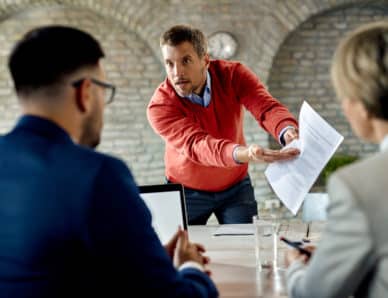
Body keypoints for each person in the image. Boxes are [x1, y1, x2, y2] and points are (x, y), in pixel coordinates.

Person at [0, 25, 218, 298]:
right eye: (104, 90)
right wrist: (190, 268)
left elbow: (43, 269)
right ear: (86, 93)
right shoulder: (98, 175)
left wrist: (143, 259)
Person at [147, 24, 300, 225]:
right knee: (181, 252)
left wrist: (287, 130)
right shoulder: (160, 106)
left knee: (245, 247)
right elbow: (198, 145)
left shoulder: (234, 75)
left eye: (186, 61)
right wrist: (244, 154)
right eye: (170, 63)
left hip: (235, 187)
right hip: (186, 192)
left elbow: (265, 106)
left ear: (205, 60)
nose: (177, 73)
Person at [285, 20, 388, 298]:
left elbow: (315, 294)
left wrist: (295, 268)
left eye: (344, 95)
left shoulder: (359, 185)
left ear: (363, 102)